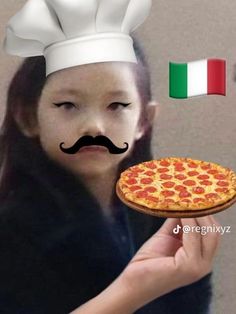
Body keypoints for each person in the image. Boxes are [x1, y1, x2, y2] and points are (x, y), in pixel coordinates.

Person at [0, 39, 220, 314]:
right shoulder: (13, 230)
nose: (94, 126)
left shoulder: (164, 218)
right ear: (28, 117)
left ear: (143, 121)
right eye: (68, 105)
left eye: (116, 106)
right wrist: (135, 288)